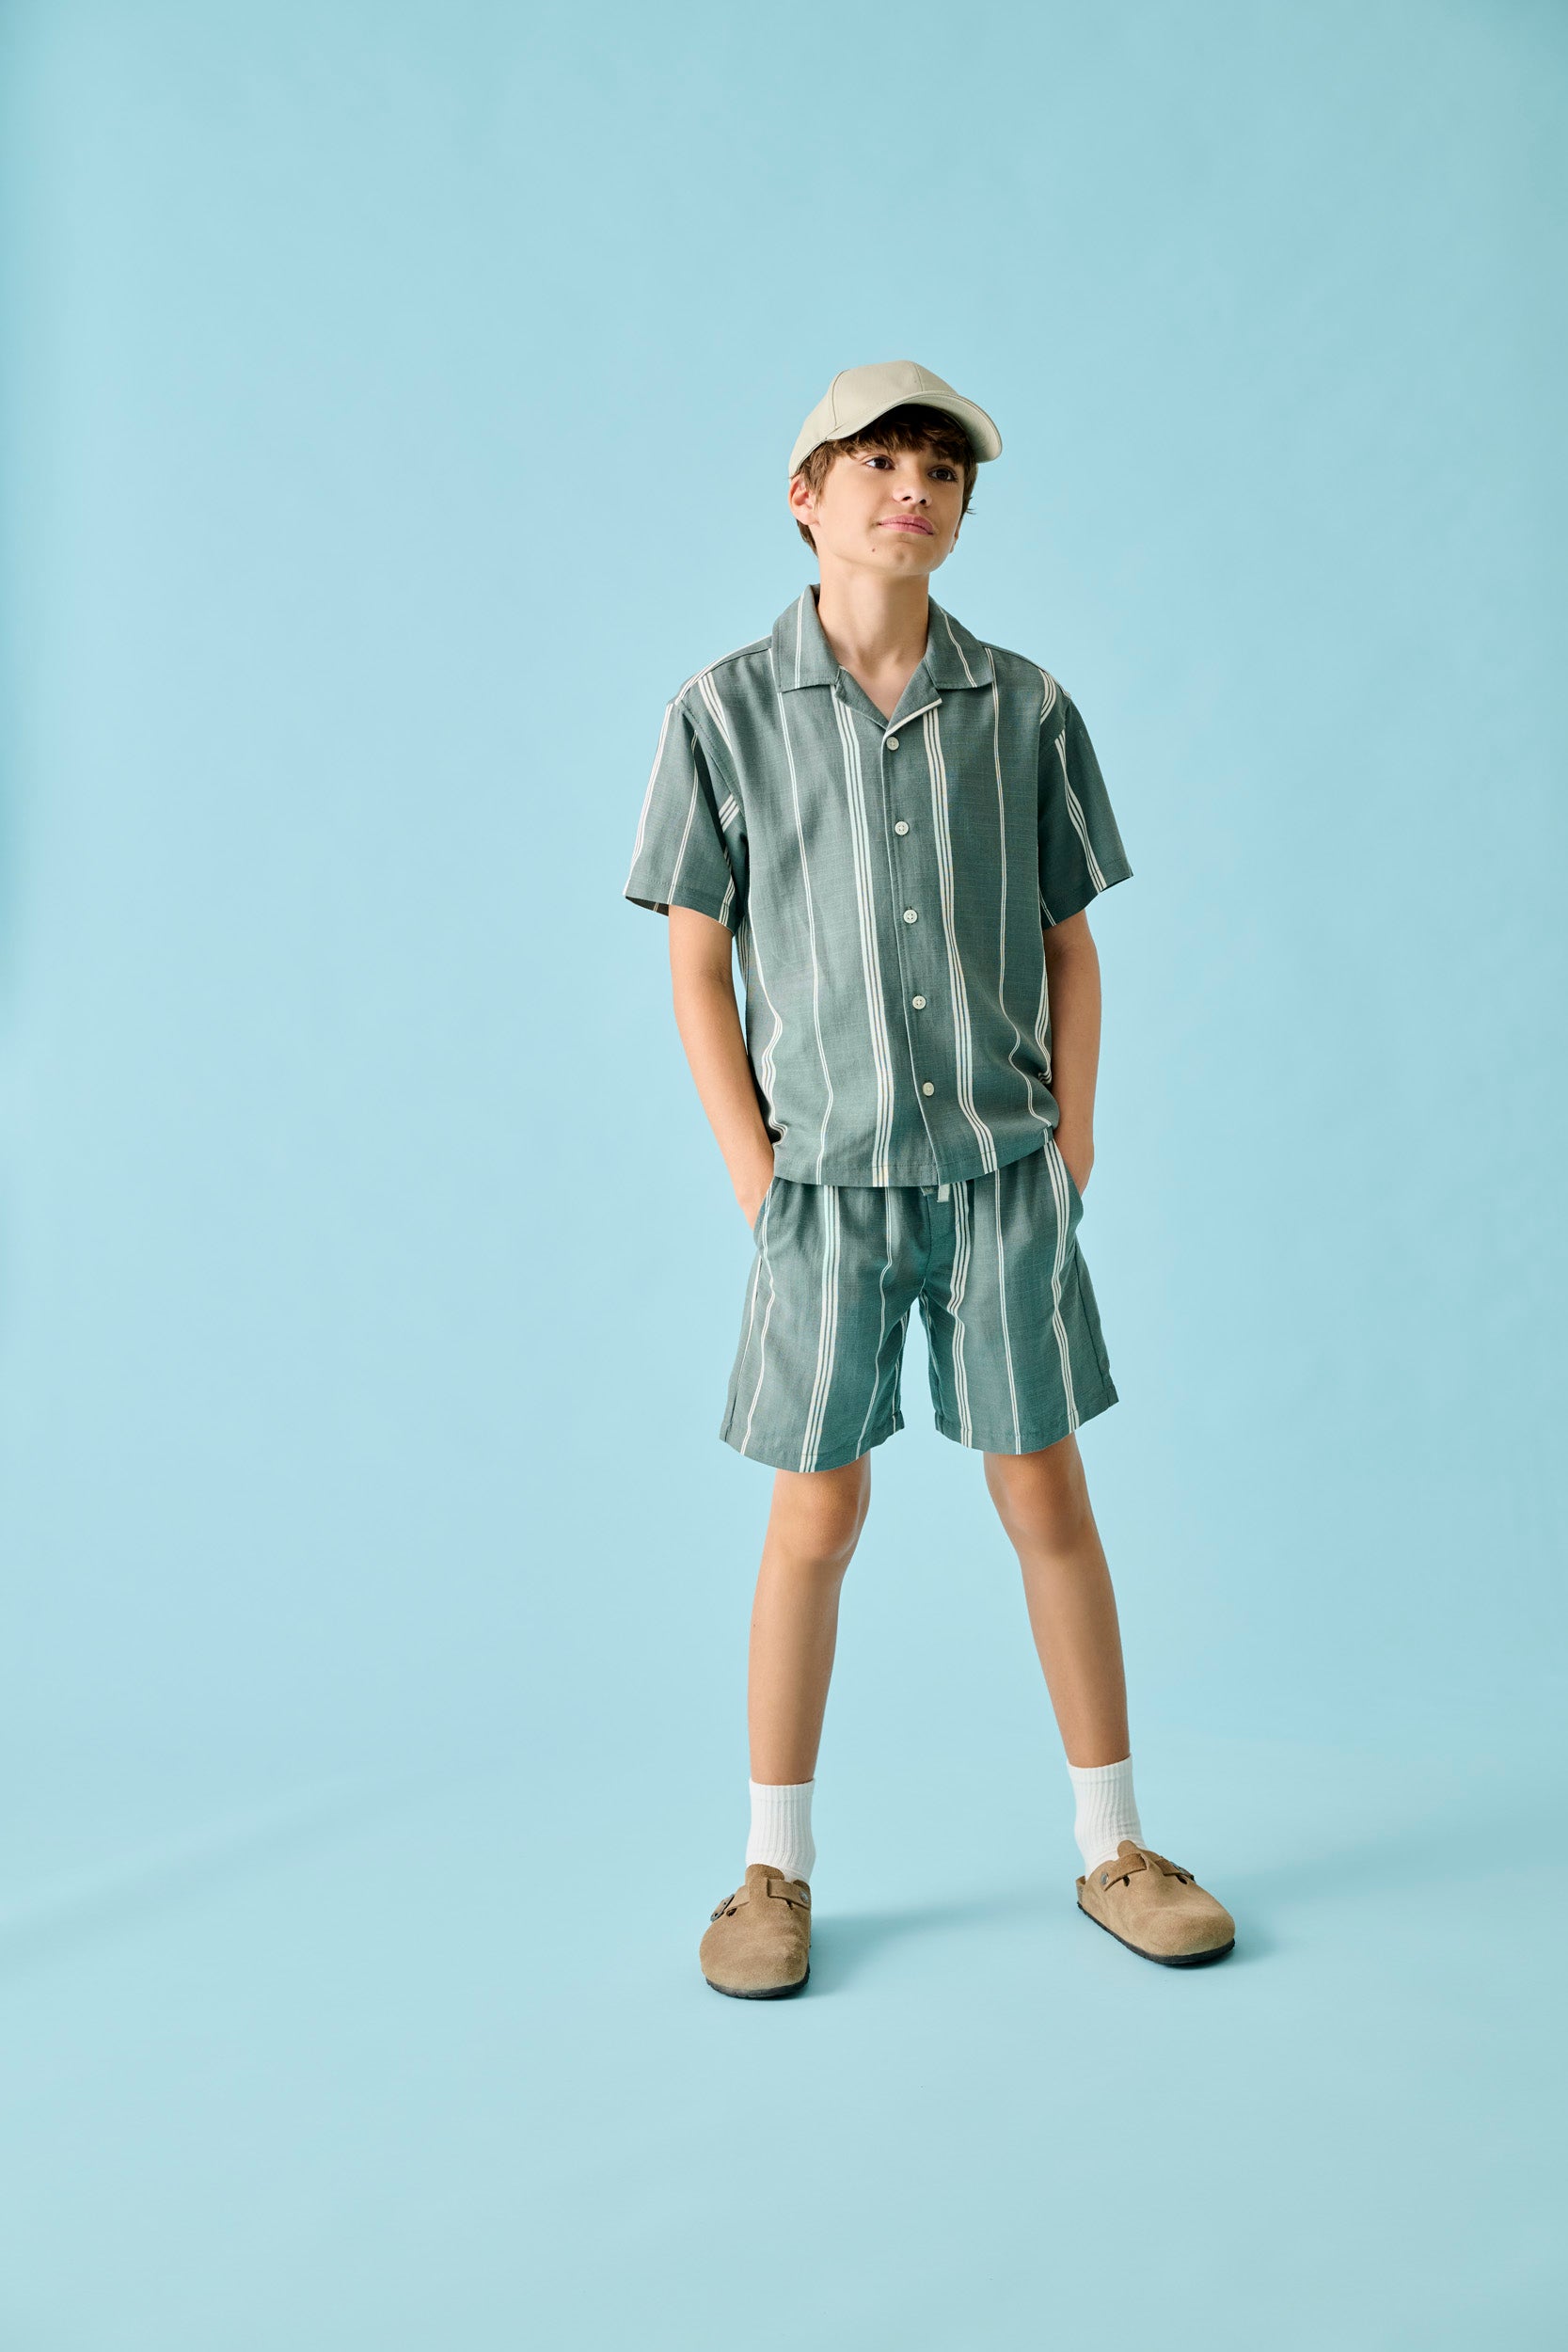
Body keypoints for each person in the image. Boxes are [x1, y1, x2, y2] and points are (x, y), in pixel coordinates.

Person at [624, 360, 1235, 1996]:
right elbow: (696, 959)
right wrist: (753, 1171)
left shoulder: (1024, 708)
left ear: (963, 512)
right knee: (815, 1512)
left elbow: (1069, 941)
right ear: (807, 496)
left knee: (1046, 1494)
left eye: (943, 473)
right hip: (821, 1189)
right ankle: (771, 1870)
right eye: (880, 462)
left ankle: (1116, 1844)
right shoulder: (721, 715)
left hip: (1002, 1176)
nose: (915, 489)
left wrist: (1073, 1137)